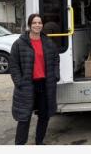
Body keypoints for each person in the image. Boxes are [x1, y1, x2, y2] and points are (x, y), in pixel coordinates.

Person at [10, 14, 60, 145]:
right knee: (24, 117)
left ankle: (39, 141)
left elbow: (56, 59)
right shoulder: (19, 43)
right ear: (29, 25)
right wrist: (19, 82)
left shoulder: (48, 42)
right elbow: (13, 65)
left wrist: (55, 75)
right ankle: (20, 144)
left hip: (44, 84)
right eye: (34, 23)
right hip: (27, 85)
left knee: (44, 115)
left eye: (39, 23)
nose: (37, 25)